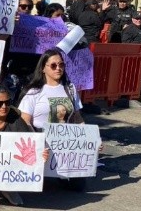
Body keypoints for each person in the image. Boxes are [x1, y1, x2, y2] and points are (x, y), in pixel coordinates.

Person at [18, 49, 89, 191]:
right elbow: (24, 120)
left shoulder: (70, 89)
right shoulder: (34, 91)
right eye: (53, 65)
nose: (58, 68)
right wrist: (36, 143)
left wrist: (90, 140)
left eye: (61, 65)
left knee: (79, 187)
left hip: (66, 141)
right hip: (42, 138)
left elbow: (77, 117)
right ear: (43, 68)